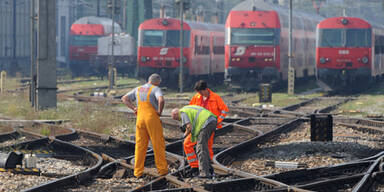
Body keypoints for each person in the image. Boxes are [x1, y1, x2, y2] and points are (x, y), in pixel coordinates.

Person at [121, 73, 168, 178]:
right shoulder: (156, 89)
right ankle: (162, 170)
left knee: (140, 145)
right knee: (157, 144)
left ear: (149, 80)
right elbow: (161, 100)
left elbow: (124, 98)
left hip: (140, 119)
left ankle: (137, 172)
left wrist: (134, 108)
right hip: (152, 119)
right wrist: (159, 111)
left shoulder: (138, 89)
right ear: (157, 82)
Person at [171, 105, 217, 178]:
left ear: (175, 114)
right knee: (203, 147)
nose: (179, 120)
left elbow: (189, 127)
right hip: (211, 121)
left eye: (177, 119)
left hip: (206, 123)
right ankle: (209, 169)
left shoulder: (182, 113)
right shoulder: (186, 109)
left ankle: (204, 173)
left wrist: (184, 135)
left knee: (200, 148)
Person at [189, 80, 229, 159]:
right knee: (191, 143)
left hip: (210, 125)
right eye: (198, 92)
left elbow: (224, 110)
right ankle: (197, 162)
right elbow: (190, 109)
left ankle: (209, 161)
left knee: (207, 144)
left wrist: (218, 122)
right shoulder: (196, 97)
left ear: (206, 89)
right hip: (198, 125)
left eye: (200, 92)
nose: (199, 94)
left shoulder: (215, 97)